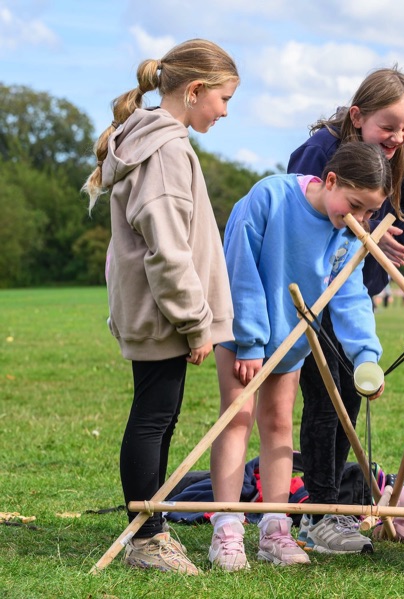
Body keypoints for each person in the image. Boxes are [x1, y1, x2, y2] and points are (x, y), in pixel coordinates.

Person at [81, 39, 239, 574]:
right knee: (153, 417)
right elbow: (168, 251)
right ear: (194, 91)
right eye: (223, 98)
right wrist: (195, 323)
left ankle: (152, 526)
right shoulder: (167, 150)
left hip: (156, 313)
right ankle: (147, 539)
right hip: (163, 314)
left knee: (161, 415)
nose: (223, 111)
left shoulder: (152, 141)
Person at [286, 68, 404, 552]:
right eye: (387, 127)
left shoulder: (401, 153)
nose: (397, 138)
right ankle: (320, 511)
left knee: (350, 397)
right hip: (315, 298)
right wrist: (365, 235)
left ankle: (333, 508)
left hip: (356, 296)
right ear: (357, 117)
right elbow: (299, 213)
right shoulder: (319, 151)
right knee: (324, 401)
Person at [208, 142, 389, 571]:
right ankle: (227, 530)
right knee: (236, 419)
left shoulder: (346, 234)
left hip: (291, 342)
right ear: (330, 181)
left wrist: (366, 355)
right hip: (242, 334)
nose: (360, 220)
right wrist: (250, 340)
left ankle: (275, 529)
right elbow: (240, 267)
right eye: (356, 206)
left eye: (369, 214)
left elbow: (349, 297)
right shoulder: (269, 197)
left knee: (278, 425)